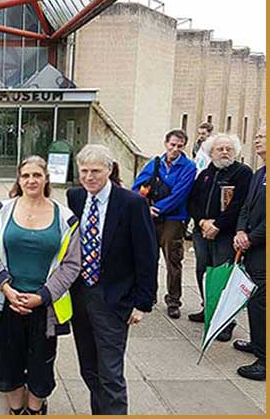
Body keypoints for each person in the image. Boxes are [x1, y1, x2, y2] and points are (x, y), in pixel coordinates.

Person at [0, 155, 81, 415]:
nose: (31, 180)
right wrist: (5, 287)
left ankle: (35, 410)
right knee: (8, 363)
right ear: (19, 179)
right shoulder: (2, 210)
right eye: (25, 175)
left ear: (46, 178)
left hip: (44, 307)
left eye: (37, 175)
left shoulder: (66, 218)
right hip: (7, 303)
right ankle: (16, 409)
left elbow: (72, 264)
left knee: (40, 367)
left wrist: (43, 295)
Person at [67, 144, 158, 415]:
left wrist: (143, 303)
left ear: (109, 170)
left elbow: (147, 255)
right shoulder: (75, 197)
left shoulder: (131, 203)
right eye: (84, 171)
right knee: (89, 369)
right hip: (80, 296)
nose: (89, 177)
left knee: (111, 374)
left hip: (114, 299)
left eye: (95, 170)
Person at [187, 134, 252, 342]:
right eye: (220, 149)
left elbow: (238, 205)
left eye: (228, 149)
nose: (224, 152)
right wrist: (202, 222)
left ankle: (225, 321)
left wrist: (217, 225)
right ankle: (208, 308)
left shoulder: (242, 173)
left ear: (235, 152)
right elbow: (193, 201)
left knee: (222, 275)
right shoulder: (206, 174)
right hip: (202, 232)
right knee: (202, 270)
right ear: (211, 152)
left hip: (225, 235)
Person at [132, 129, 196, 319]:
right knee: (149, 257)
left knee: (173, 260)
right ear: (166, 143)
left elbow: (179, 195)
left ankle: (173, 300)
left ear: (184, 146)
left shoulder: (188, 167)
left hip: (174, 219)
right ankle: (149, 295)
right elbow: (137, 186)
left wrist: (156, 209)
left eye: (179, 146)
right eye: (172, 144)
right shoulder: (155, 163)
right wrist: (145, 207)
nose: (175, 149)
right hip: (151, 217)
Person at [233, 125, 266, 381]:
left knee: (262, 304)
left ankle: (264, 361)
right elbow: (246, 207)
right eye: (256, 136)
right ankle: (258, 344)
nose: (257, 140)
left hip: (262, 250)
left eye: (262, 136)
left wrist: (250, 240)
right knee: (254, 301)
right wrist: (240, 231)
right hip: (252, 250)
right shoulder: (259, 173)